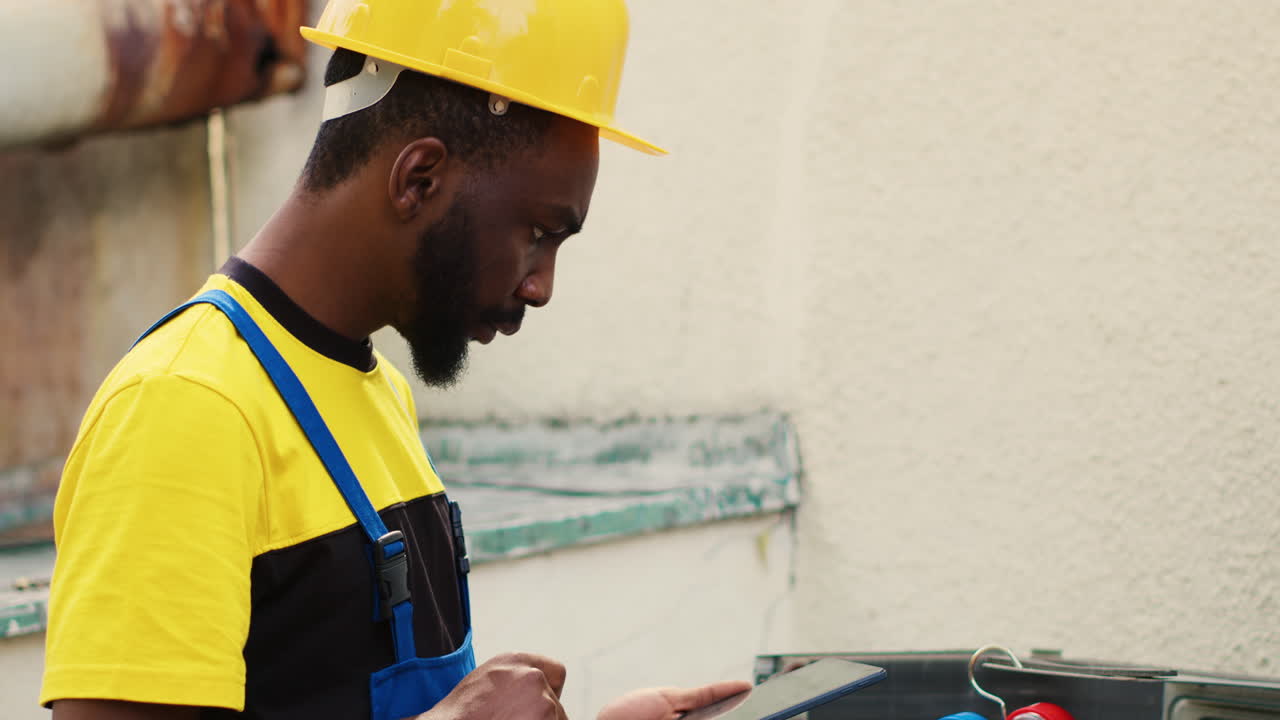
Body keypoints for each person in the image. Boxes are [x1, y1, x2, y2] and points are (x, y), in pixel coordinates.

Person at [39, 1, 750, 719]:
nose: (541, 286)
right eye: (537, 232)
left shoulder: (376, 395)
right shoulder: (184, 408)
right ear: (419, 179)